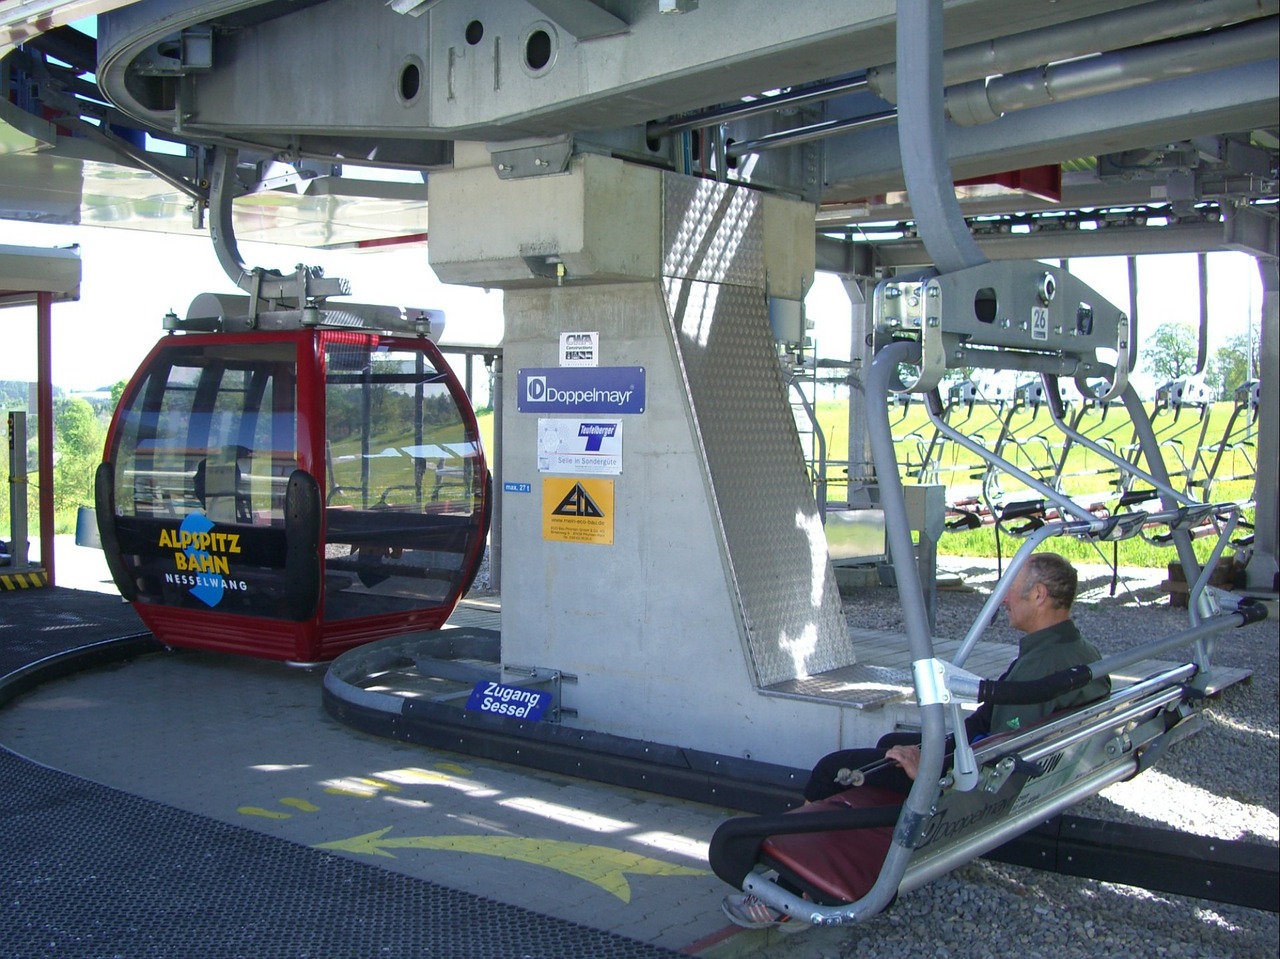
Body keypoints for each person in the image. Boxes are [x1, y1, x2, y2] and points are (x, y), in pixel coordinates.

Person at [722, 552, 1111, 929]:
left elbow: (1000, 753)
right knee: (889, 743)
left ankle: (792, 891)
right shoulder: (1080, 653)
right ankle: (838, 854)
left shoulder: (1039, 670)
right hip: (993, 760)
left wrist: (925, 769)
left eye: (1010, 589)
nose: (1004, 598)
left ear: (1039, 595)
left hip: (971, 776)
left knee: (832, 770)